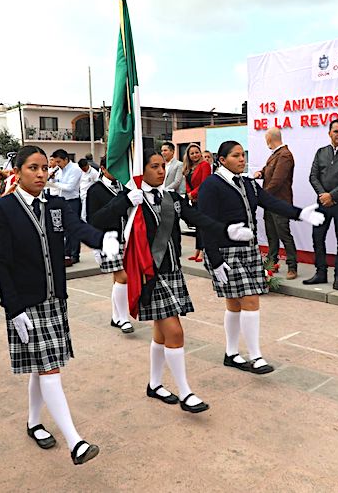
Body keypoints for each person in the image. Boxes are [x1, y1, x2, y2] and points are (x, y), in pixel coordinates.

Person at [92, 149, 253, 413]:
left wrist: (225, 230)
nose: (160, 171)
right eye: (153, 166)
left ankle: (155, 384)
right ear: (140, 170)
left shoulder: (172, 198)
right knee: (175, 332)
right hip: (149, 274)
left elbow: (198, 218)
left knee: (160, 333)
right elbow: (96, 220)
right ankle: (186, 392)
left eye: (162, 165)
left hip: (172, 271)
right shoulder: (130, 197)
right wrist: (123, 202)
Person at [0, 145, 119, 466]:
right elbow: (2, 264)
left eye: (45, 168)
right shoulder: (3, 210)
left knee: (42, 367)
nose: (41, 174)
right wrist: (13, 308)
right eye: (33, 168)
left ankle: (34, 422)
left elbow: (78, 228)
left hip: (54, 299)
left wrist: (102, 239)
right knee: (50, 369)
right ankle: (75, 441)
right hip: (25, 302)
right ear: (17, 172)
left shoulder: (56, 205)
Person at [199, 141, 324, 374]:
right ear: (222, 160)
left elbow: (272, 203)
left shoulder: (248, 183)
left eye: (242, 155)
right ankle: (255, 356)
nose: (241, 159)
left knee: (236, 303)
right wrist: (214, 260)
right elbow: (205, 225)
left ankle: (231, 353)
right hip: (226, 251)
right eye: (235, 156)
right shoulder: (211, 186)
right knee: (249, 301)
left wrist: (299, 214)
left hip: (249, 249)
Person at [303, 119, 338, 290]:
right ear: (329, 133)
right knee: (317, 237)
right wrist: (323, 195)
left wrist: (332, 195)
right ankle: (321, 273)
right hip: (322, 204)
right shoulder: (321, 152)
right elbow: (313, 176)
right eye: (336, 131)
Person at [86, 156, 134, 334]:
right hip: (108, 240)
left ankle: (116, 315)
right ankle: (123, 318)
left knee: (118, 280)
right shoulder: (95, 190)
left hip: (127, 238)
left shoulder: (126, 187)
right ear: (103, 169)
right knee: (123, 277)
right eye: (113, 167)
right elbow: (94, 219)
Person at [253, 128, 298, 280]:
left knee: (284, 235)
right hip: (271, 203)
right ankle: (271, 264)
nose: (266, 142)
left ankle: (292, 266)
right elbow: (268, 171)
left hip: (279, 203)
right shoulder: (275, 155)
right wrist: (260, 172)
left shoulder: (284, 155)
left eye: (266, 139)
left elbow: (277, 181)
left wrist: (262, 196)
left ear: (270, 139)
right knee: (271, 235)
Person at [46, 149, 83, 266]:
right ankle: (66, 254)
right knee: (64, 229)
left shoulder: (75, 169)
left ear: (66, 159)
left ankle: (74, 255)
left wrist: (53, 184)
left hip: (73, 201)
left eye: (58, 162)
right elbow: (60, 182)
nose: (57, 164)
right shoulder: (60, 170)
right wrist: (52, 179)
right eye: (55, 162)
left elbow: (70, 187)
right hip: (62, 200)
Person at [182, 143, 211, 262]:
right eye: (192, 153)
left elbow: (205, 183)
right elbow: (187, 183)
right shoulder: (188, 167)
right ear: (188, 155)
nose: (195, 155)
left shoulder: (204, 165)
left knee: (203, 226)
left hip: (204, 199)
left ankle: (203, 251)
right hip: (194, 200)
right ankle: (198, 249)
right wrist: (189, 195)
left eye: (197, 152)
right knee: (198, 226)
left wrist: (192, 194)